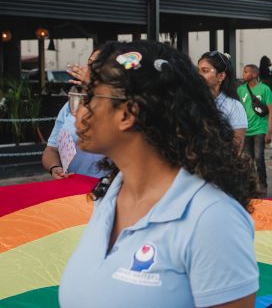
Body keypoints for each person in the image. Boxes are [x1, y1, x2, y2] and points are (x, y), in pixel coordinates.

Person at [58, 40, 259, 308]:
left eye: (89, 97)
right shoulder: (108, 197)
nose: (77, 112)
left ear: (128, 114)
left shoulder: (211, 219)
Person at [43, 50, 106, 179]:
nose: (90, 69)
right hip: (73, 188)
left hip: (107, 189)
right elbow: (51, 149)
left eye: (99, 64)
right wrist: (55, 168)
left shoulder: (122, 108)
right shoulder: (70, 106)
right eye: (89, 64)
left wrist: (98, 88)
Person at [197, 51, 248, 149]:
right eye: (198, 70)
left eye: (205, 71)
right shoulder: (192, 102)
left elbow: (237, 146)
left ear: (221, 76)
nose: (199, 75)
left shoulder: (233, 106)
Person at [238, 64, 272, 192]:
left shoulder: (264, 89)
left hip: (260, 129)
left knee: (259, 157)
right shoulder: (241, 90)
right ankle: (252, 186)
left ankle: (263, 185)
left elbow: (271, 110)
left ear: (254, 74)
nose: (243, 74)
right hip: (246, 130)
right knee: (248, 160)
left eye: (246, 72)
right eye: (243, 72)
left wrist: (269, 131)